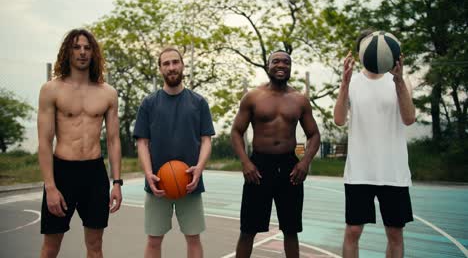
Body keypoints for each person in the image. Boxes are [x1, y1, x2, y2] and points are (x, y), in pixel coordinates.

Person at [37, 29, 123, 258]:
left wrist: (117, 183)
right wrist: (50, 186)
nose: (83, 52)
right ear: (68, 52)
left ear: (94, 53)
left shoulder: (108, 93)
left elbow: (114, 141)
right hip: (62, 172)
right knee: (51, 246)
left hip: (94, 174)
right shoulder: (51, 90)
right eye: (77, 47)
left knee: (95, 246)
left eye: (87, 47)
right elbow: (44, 142)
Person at [334, 30, 416, 258]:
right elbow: (339, 120)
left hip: (394, 172)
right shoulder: (352, 82)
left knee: (395, 234)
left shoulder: (400, 81)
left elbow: (409, 119)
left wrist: (399, 80)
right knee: (352, 231)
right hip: (359, 172)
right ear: (361, 53)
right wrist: (344, 83)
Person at [231, 50, 321, 258]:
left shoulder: (299, 100)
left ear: (290, 68)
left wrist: (305, 162)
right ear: (268, 66)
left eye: (286, 62)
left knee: (291, 230)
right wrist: (245, 162)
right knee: (248, 230)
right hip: (259, 167)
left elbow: (314, 135)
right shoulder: (253, 97)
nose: (281, 65)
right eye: (276, 61)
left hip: (290, 167)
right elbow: (236, 132)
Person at [133, 47, 215, 258]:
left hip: (189, 181)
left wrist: (199, 169)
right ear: (160, 69)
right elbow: (142, 143)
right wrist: (148, 173)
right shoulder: (149, 104)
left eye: (175, 62)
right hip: (158, 182)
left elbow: (206, 140)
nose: (171, 67)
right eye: (166, 63)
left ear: (182, 65)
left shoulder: (199, 102)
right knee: (153, 240)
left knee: (193, 238)